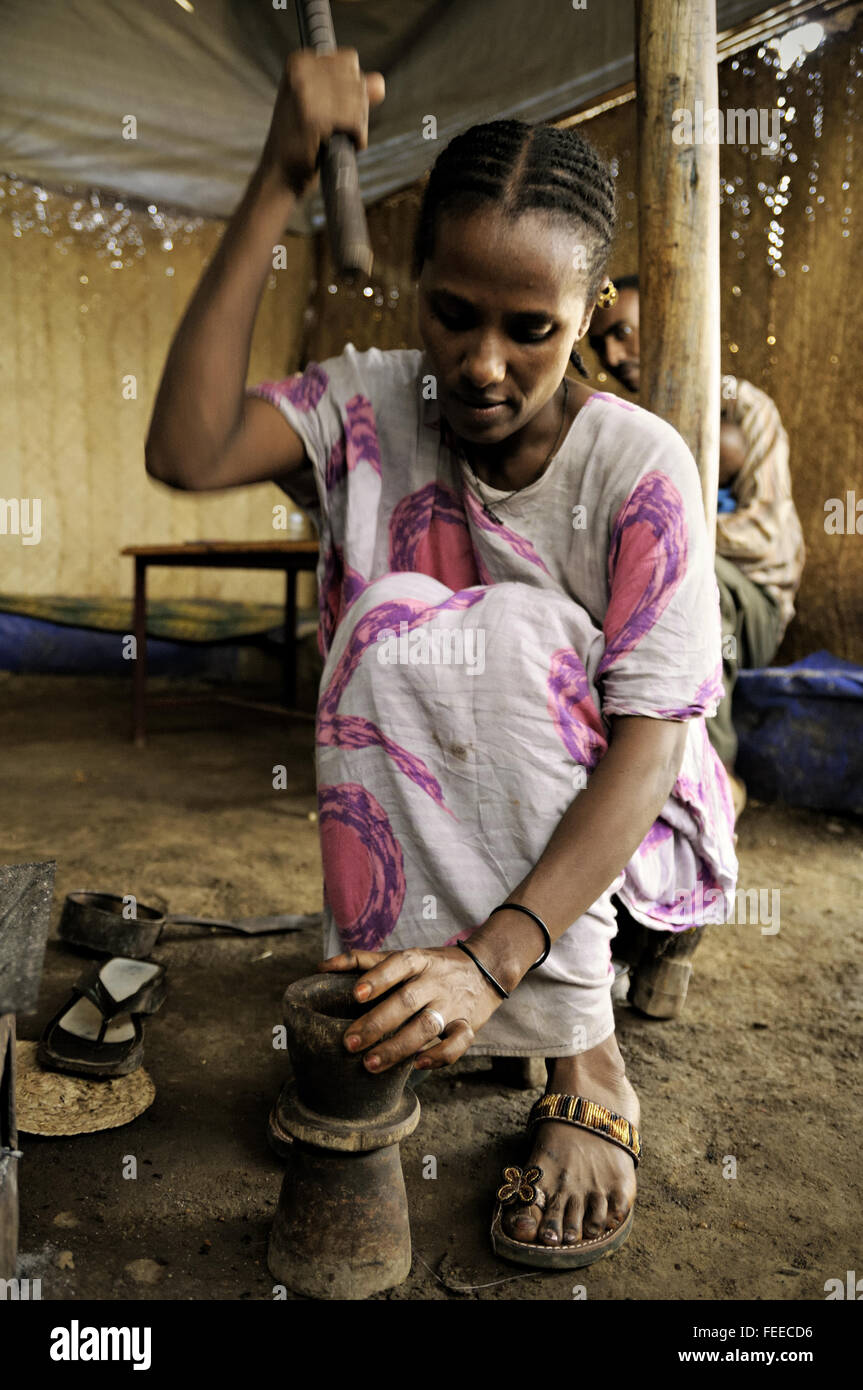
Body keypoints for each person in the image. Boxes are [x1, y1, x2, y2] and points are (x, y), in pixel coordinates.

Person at [145, 49, 737, 1269]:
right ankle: (398, 992)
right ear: (416, 286)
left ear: (586, 315)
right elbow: (188, 446)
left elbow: (646, 750)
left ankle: (583, 1049)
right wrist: (276, 177)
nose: (482, 364)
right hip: (441, 835)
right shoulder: (373, 405)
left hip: (609, 840)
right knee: (401, 623)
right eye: (453, 315)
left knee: (497, 630)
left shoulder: (637, 469)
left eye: (532, 332)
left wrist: (491, 959)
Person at [588, 276, 806, 816]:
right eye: (601, 346)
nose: (613, 355)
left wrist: (673, 537)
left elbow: (770, 538)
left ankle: (717, 778)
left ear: (662, 321)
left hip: (753, 602)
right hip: (669, 588)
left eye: (623, 332)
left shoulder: (746, 408)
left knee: (699, 584)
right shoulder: (631, 428)